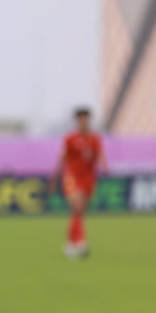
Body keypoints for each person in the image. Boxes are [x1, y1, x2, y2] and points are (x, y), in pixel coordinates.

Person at [49, 108, 106, 258]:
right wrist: (55, 178)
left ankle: (69, 244)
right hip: (73, 177)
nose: (83, 122)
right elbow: (63, 159)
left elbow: (99, 155)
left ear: (89, 120)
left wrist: (104, 164)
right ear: (77, 121)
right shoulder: (70, 139)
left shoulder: (95, 139)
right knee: (77, 207)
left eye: (86, 119)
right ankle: (81, 242)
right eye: (81, 119)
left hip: (89, 179)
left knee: (79, 212)